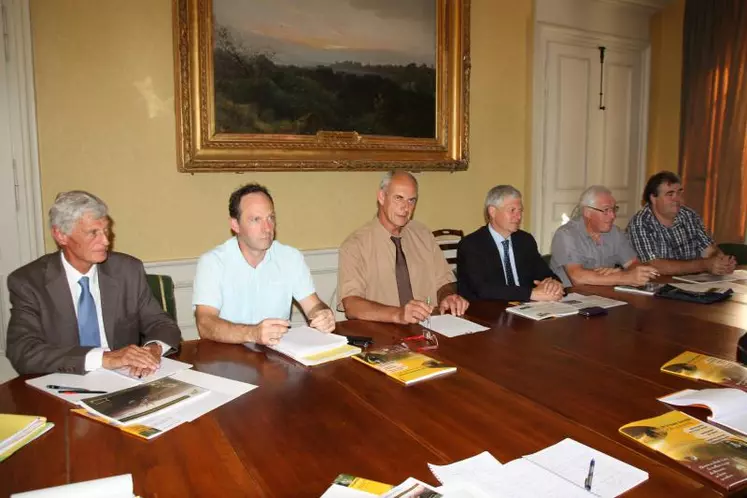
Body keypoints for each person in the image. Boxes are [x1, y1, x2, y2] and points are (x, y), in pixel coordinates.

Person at [6, 191, 181, 376]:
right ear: (61, 235)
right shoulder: (29, 282)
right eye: (93, 233)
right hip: (65, 381)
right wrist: (104, 358)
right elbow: (23, 351)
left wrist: (152, 350)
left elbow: (162, 324)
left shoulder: (127, 270)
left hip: (126, 379)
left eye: (106, 230)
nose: (106, 241)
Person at [193, 183, 335, 346]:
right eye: (256, 220)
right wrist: (252, 333)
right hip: (225, 357)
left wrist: (322, 315)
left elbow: (313, 305)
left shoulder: (290, 257)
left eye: (271, 218)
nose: (267, 228)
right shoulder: (213, 262)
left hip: (276, 357)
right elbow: (205, 323)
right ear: (235, 225)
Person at [338, 171, 469, 324]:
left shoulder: (423, 235)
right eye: (398, 198)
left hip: (430, 329)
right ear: (381, 197)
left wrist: (447, 297)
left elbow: (444, 282)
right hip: (383, 334)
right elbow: (351, 305)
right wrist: (399, 314)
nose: (405, 207)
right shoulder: (355, 245)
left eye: (411, 201)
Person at [457, 185, 563, 301]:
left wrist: (553, 284)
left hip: (527, 310)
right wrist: (531, 294)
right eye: (512, 210)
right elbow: (483, 289)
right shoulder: (471, 245)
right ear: (492, 211)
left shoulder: (525, 240)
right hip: (488, 311)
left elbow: (546, 274)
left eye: (520, 211)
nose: (518, 217)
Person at [627, 171, 736, 276]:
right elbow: (654, 265)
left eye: (679, 193)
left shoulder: (689, 215)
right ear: (653, 198)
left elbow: (709, 250)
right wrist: (704, 265)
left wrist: (721, 262)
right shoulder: (641, 222)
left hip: (694, 283)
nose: (677, 199)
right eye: (670, 194)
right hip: (659, 285)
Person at [550, 185, 658, 287]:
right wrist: (623, 277)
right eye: (606, 210)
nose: (613, 216)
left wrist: (624, 273)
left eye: (614, 209)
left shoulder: (615, 233)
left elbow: (634, 264)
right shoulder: (566, 235)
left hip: (604, 297)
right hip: (570, 299)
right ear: (587, 212)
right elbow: (577, 277)